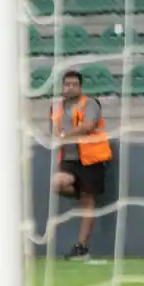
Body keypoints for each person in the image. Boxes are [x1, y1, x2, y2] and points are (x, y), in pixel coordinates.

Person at [51, 69, 109, 260]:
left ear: (80, 87)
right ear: (62, 86)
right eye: (67, 84)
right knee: (58, 183)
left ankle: (81, 246)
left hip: (90, 158)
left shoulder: (90, 103)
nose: (70, 87)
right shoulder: (57, 107)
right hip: (69, 158)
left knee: (88, 203)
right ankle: (80, 191)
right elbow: (54, 131)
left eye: (74, 84)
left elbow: (88, 127)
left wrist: (64, 136)